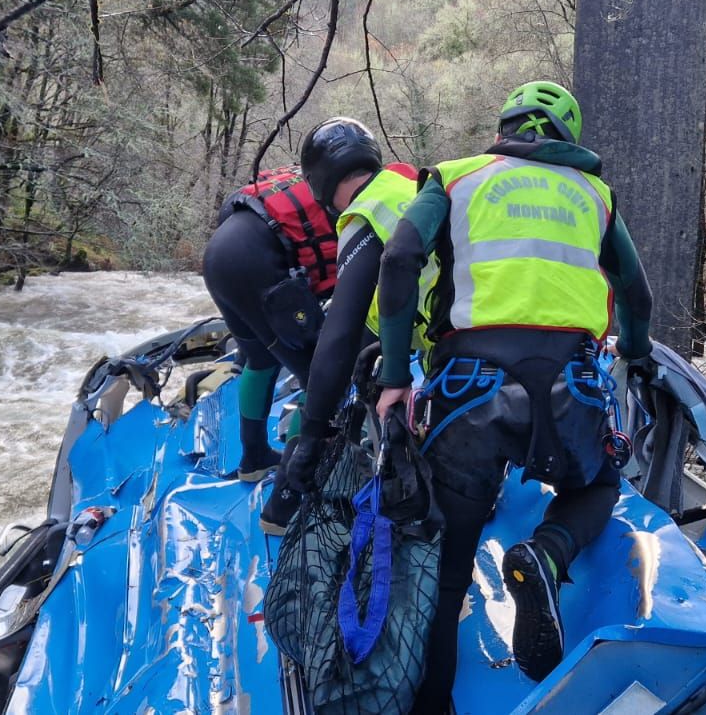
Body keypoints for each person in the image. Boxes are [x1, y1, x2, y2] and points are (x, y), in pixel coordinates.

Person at [372, 81, 654, 713]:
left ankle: (432, 706)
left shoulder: (454, 176)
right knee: (596, 487)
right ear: (568, 136)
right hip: (568, 389)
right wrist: (634, 352)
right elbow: (636, 297)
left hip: (470, 393)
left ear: (505, 127)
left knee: (447, 569)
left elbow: (398, 259)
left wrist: (395, 374)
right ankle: (546, 554)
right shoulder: (596, 195)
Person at [259, 118, 432, 534]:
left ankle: (280, 513)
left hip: (451, 340)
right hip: (479, 334)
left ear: (318, 183)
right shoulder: (409, 189)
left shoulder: (366, 211)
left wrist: (313, 434)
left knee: (334, 373)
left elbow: (338, 334)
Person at [203, 128, 381, 483]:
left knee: (261, 358)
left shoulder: (317, 180)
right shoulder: (368, 203)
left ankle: (254, 458)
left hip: (220, 256)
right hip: (255, 264)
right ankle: (295, 486)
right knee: (320, 375)